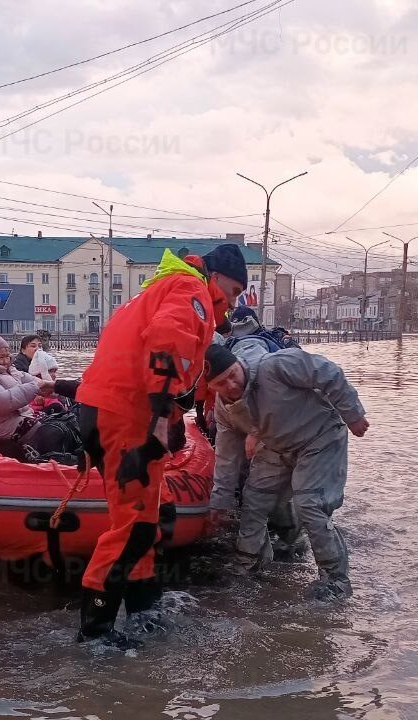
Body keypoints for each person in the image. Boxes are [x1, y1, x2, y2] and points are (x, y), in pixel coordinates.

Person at [73, 243, 246, 646]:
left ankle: (144, 606)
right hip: (125, 416)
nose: (233, 305)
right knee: (134, 526)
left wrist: (171, 420)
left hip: (111, 409)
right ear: (217, 278)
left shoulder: (165, 288)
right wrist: (157, 417)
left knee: (153, 513)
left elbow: (154, 355)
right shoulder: (192, 290)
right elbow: (167, 342)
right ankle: (95, 633)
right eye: (235, 293)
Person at [205, 340, 369, 601]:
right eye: (220, 383)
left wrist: (352, 413)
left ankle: (335, 581)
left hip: (320, 436)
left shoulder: (276, 365)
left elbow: (328, 373)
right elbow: (227, 456)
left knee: (311, 504)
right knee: (254, 501)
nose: (231, 385)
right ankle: (249, 563)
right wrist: (220, 500)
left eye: (232, 375)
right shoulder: (224, 410)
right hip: (277, 445)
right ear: (210, 387)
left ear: (238, 364)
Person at [0, 331, 63, 457]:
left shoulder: (7, 370)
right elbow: (1, 402)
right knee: (51, 434)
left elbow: (29, 379)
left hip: (16, 419)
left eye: (8, 356)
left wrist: (55, 386)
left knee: (61, 423)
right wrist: (35, 387)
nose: (6, 360)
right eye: (1, 357)